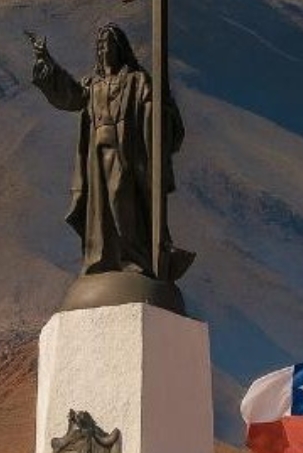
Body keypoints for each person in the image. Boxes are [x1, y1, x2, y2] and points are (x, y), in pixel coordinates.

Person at [29, 23, 189, 280]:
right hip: (97, 152)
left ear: (120, 49)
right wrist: (46, 61)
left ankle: (134, 258)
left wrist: (158, 112)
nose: (103, 50)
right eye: (100, 46)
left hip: (127, 150)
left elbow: (159, 112)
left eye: (109, 44)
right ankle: (102, 260)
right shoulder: (93, 84)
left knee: (122, 197)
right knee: (99, 208)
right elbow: (70, 96)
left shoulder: (135, 80)